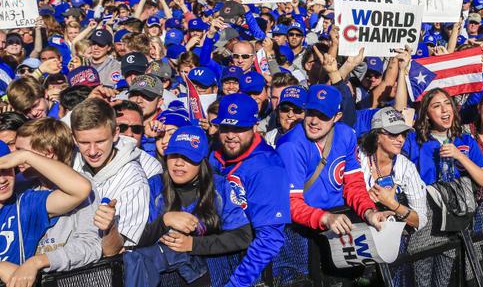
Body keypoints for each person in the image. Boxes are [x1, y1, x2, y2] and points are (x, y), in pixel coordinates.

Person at [126, 126, 252, 287]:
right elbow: (134, 241)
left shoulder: (220, 188)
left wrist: (192, 244)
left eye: (187, 157)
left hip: (212, 276)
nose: (178, 163)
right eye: (173, 155)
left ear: (201, 160)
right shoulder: (153, 186)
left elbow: (243, 236)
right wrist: (164, 221)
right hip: (160, 278)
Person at [276, 85, 391, 233]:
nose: (314, 121)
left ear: (337, 117)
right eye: (311, 112)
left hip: (340, 217)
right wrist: (324, 218)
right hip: (304, 228)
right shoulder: (290, 146)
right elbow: (290, 202)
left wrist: (369, 211)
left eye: (323, 115)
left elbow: (354, 184)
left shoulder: (346, 134)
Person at [209, 93, 291, 286]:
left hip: (251, 268)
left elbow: (270, 239)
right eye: (225, 127)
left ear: (254, 128)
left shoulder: (266, 167)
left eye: (239, 128)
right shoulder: (215, 155)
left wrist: (237, 283)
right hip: (218, 253)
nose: (230, 135)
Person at [7, 118, 101, 283]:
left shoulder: (83, 186)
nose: (16, 158)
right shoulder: (18, 184)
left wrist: (40, 261)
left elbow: (91, 246)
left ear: (48, 153)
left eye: (23, 153)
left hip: (70, 280)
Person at [71, 98, 150, 256]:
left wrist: (110, 228)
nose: (92, 151)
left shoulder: (134, 180)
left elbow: (115, 251)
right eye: (84, 143)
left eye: (100, 141)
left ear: (115, 134)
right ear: (74, 139)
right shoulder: (71, 159)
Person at [358, 107, 427, 231]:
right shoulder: (357, 158)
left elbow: (420, 220)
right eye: (394, 133)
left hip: (392, 237)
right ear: (377, 136)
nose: (401, 139)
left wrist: (392, 204)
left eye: (404, 134)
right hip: (358, 232)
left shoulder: (406, 167)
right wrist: (364, 199)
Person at [412, 88, 483, 190]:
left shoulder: (466, 140)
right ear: (427, 114)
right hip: (428, 203)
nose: (444, 109)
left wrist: (459, 156)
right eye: (437, 106)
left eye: (447, 103)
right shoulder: (414, 141)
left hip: (461, 203)